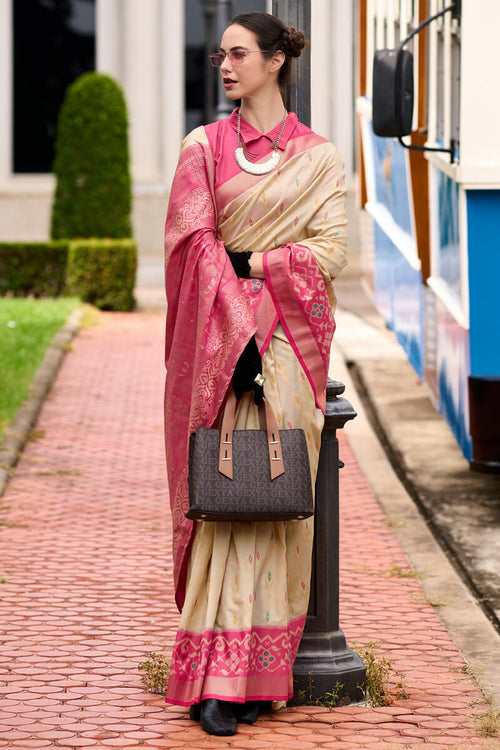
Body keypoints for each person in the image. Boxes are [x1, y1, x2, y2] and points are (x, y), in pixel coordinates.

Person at [163, 10, 347, 737]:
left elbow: (331, 251)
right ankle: (216, 682)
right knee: (224, 509)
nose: (225, 65)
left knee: (273, 510)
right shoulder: (203, 148)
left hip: (291, 354)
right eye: (220, 55)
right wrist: (237, 329)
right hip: (223, 352)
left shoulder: (321, 158)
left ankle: (262, 675)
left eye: (238, 54)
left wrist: (257, 264)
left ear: (275, 62)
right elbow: (188, 242)